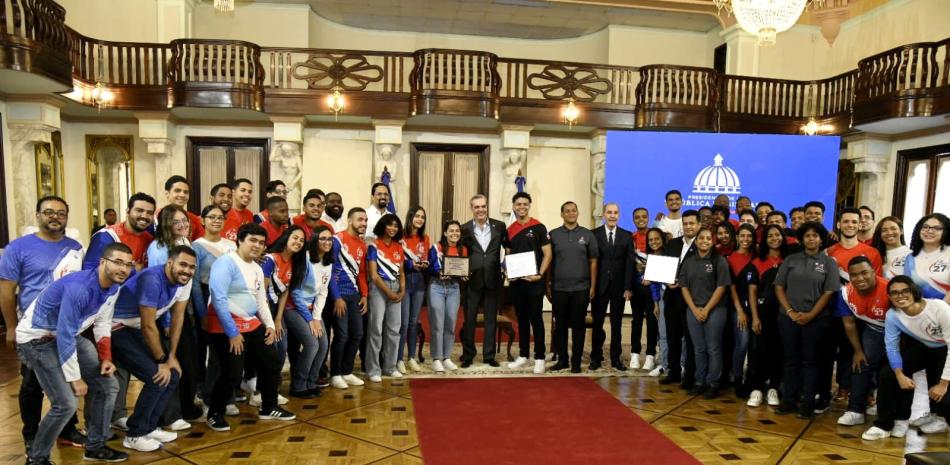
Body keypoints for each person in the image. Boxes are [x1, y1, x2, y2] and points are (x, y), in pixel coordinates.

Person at [16, 243, 133, 465]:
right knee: (66, 404)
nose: (124, 269)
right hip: (36, 339)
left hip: (64, 335)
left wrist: (106, 356)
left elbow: (102, 321)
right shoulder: (80, 287)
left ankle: (95, 446)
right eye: (118, 262)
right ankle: (37, 459)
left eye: (128, 264)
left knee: (109, 385)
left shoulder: (114, 287)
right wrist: (75, 377)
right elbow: (65, 333)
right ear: (102, 262)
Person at [0, 196, 86, 453]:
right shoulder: (19, 248)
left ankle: (68, 430)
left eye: (61, 213)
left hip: (66, 328)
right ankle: (31, 434)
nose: (55, 217)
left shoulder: (75, 247)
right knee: (31, 384)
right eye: (49, 212)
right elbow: (6, 290)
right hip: (33, 330)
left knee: (68, 378)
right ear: (38, 215)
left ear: (66, 217)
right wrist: (11, 327)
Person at [206, 224, 295, 432]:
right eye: (252, 241)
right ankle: (214, 413)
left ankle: (269, 407)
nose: (257, 246)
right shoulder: (225, 263)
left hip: (250, 323)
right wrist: (233, 333)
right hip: (224, 326)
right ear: (240, 240)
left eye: (262, 242)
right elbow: (218, 300)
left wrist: (270, 325)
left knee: (272, 361)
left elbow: (261, 300)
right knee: (233, 373)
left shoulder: (256, 267)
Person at [110, 246, 195, 451]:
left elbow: (178, 318)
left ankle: (148, 426)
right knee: (156, 376)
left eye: (192, 267)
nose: (187, 270)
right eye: (182, 264)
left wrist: (171, 357)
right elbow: (149, 325)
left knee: (172, 375)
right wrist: (161, 361)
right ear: (170, 263)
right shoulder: (152, 279)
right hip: (115, 326)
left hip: (135, 326)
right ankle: (135, 434)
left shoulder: (185, 281)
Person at [862, 277, 950, 440]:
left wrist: (943, 384)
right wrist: (899, 375)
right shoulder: (893, 315)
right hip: (925, 346)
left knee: (941, 391)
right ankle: (884, 425)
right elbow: (892, 347)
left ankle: (941, 418)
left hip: (946, 349)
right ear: (889, 297)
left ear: (913, 291)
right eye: (894, 293)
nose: (900, 296)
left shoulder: (939, 308)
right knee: (887, 374)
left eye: (904, 291)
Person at [144, 204, 204, 427]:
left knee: (188, 361)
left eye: (185, 221)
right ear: (166, 224)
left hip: (181, 309)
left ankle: (186, 407)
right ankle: (169, 415)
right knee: (168, 363)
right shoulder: (159, 247)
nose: (182, 225)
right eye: (176, 222)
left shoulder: (185, 242)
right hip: (162, 315)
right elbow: (158, 286)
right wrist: (167, 322)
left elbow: (187, 284)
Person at [774, 221, 841, 419]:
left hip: (817, 320)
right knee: (791, 360)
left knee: (811, 362)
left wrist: (811, 315)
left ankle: (808, 403)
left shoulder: (829, 262)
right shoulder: (791, 259)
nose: (811, 239)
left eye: (815, 236)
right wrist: (790, 311)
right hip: (788, 318)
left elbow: (829, 292)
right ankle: (789, 400)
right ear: (801, 239)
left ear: (821, 239)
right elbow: (779, 286)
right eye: (807, 236)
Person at [825, 208, 884, 406]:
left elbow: (874, 283)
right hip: (836, 309)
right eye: (846, 221)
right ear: (839, 225)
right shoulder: (829, 252)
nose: (850, 225)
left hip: (865, 312)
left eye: (854, 222)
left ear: (860, 225)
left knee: (865, 352)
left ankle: (867, 391)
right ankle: (842, 387)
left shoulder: (872, 253)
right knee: (843, 350)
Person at [190, 205, 237, 414]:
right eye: (212, 217)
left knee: (227, 352)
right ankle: (208, 396)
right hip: (206, 297)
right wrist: (202, 314)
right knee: (210, 353)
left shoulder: (231, 245)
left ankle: (227, 396)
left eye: (220, 218)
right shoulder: (196, 247)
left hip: (230, 299)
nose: (217, 221)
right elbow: (194, 284)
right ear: (203, 220)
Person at [835, 256, 891, 427]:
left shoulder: (891, 288)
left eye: (864, 273)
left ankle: (894, 413)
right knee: (862, 362)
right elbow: (849, 323)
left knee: (892, 370)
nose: (860, 278)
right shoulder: (845, 293)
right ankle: (855, 410)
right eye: (854, 275)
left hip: (901, 333)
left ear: (874, 272)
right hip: (874, 329)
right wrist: (858, 351)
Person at [679, 227, 731, 399]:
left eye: (708, 238)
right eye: (701, 238)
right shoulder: (689, 262)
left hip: (715, 310)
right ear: (696, 240)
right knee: (698, 348)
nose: (705, 241)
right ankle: (699, 381)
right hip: (693, 309)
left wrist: (707, 309)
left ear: (713, 241)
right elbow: (684, 286)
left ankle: (713, 383)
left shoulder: (719, 261)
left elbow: (721, 287)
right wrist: (694, 309)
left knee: (713, 348)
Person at [548, 201, 598, 373]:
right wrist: (548, 285)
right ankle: (563, 360)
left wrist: (592, 286)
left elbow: (593, 262)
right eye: (567, 211)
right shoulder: (553, 235)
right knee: (560, 326)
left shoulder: (588, 235)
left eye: (573, 211)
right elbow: (548, 261)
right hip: (559, 288)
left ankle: (576, 362)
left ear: (578, 213)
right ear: (562, 214)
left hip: (581, 289)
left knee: (578, 326)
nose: (571, 213)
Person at [506, 193, 552, 373]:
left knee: (536, 319)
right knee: (521, 319)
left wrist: (539, 275)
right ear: (514, 206)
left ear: (529, 205)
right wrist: (509, 272)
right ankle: (523, 355)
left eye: (525, 204)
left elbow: (548, 254)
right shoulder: (509, 230)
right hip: (517, 283)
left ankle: (539, 357)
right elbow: (508, 254)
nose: (522, 207)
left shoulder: (539, 227)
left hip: (534, 282)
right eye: (518, 204)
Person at [460, 194, 508, 368]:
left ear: (487, 207)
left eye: (483, 206)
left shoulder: (500, 226)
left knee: (490, 320)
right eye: (476, 207)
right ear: (471, 208)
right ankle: (468, 355)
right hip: (471, 281)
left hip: (493, 279)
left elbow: (508, 248)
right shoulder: (464, 229)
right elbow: (460, 253)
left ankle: (489, 355)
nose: (480, 210)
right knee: (469, 319)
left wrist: (508, 266)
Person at [262, 226, 309, 396]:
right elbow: (262, 293)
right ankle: (262, 390)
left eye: (302, 240)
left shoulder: (294, 263)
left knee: (282, 348)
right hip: (262, 310)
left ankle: (274, 387)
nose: (298, 242)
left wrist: (278, 319)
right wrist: (269, 321)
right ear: (286, 238)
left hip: (276, 311)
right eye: (295, 238)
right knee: (270, 350)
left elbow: (284, 294)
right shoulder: (270, 260)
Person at [287, 226, 334, 395]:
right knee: (312, 344)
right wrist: (310, 319)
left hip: (312, 309)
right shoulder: (305, 259)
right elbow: (296, 292)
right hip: (293, 308)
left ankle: (311, 382)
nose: (327, 242)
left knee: (323, 344)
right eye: (322, 238)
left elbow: (323, 292)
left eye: (329, 239)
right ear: (314, 240)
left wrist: (316, 317)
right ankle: (298, 385)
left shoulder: (327, 262)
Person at [746, 224, 788, 408]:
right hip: (762, 314)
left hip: (784, 314)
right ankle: (756, 388)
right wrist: (755, 317)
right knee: (758, 351)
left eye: (777, 235)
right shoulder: (757, 262)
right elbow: (753, 291)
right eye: (770, 235)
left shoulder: (789, 260)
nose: (774, 238)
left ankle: (773, 388)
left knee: (778, 351)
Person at [328, 208, 369, 389]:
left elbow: (361, 274)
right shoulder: (337, 240)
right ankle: (335, 374)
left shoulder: (362, 245)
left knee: (357, 334)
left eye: (366, 220)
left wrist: (365, 295)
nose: (364, 223)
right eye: (360, 219)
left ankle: (347, 371)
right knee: (342, 335)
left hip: (354, 295)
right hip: (339, 295)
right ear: (350, 221)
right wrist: (336, 297)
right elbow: (328, 271)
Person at [591, 203, 635, 371]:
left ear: (619, 215)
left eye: (615, 213)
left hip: (618, 287)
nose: (612, 215)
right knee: (597, 323)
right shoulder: (594, 234)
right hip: (599, 287)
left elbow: (630, 264)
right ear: (603, 215)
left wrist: (627, 287)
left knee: (616, 324)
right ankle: (596, 357)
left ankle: (616, 358)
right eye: (609, 212)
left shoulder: (626, 235)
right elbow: (591, 263)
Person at [660, 210, 700, 388]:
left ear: (699, 225)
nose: (688, 226)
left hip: (691, 300)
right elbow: (665, 267)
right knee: (672, 337)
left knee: (691, 339)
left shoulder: (702, 246)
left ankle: (690, 375)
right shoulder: (673, 243)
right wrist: (667, 281)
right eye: (685, 223)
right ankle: (673, 371)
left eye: (692, 223)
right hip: (671, 297)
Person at [365, 213, 406, 382]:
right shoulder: (374, 246)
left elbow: (402, 273)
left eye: (396, 226)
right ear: (383, 226)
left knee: (394, 330)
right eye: (389, 225)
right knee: (376, 329)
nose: (393, 228)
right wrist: (389, 293)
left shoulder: (398, 247)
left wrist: (402, 290)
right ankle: (373, 369)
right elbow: (373, 275)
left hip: (396, 288)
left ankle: (390, 367)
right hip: (379, 289)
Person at [427, 220, 467, 372]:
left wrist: (464, 276)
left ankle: (447, 357)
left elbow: (462, 269)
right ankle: (437, 358)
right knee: (437, 323)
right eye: (451, 231)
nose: (454, 233)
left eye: (457, 231)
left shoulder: (463, 250)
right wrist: (438, 273)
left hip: (454, 288)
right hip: (436, 286)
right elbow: (429, 268)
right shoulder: (436, 248)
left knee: (450, 323)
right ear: (445, 233)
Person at [84, 192, 157, 272]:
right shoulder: (107, 235)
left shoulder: (151, 239)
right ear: (128, 211)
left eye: (149, 213)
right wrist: (132, 270)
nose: (144, 216)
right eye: (139, 210)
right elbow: (89, 271)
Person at [399, 206, 430, 372]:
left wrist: (425, 264)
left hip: (419, 282)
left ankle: (411, 357)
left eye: (422, 217)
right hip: (404, 280)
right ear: (410, 217)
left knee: (413, 322)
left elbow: (426, 258)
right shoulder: (400, 237)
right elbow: (395, 259)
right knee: (403, 323)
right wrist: (411, 263)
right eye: (417, 216)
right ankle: (398, 359)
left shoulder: (425, 238)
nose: (419, 219)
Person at [727, 223, 756, 396]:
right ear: (737, 237)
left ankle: (751, 379)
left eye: (749, 236)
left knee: (753, 345)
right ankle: (737, 377)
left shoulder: (757, 257)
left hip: (756, 307)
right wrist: (739, 311)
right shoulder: (730, 259)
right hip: (738, 307)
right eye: (742, 235)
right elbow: (731, 288)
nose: (746, 239)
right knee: (742, 343)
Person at [905, 213, 950, 304]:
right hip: (918, 310)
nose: (929, 231)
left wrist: (939, 310)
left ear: (946, 231)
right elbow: (907, 287)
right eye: (925, 227)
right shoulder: (910, 258)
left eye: (937, 228)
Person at [643, 228, 668, 376]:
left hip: (674, 297)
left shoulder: (671, 254)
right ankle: (663, 364)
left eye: (657, 239)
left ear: (663, 239)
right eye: (651, 240)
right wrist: (656, 303)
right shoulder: (650, 258)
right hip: (661, 298)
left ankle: (680, 363)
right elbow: (654, 285)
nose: (654, 242)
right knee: (662, 333)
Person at [163, 175, 204, 241]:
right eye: (177, 191)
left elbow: (201, 243)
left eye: (186, 192)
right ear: (167, 193)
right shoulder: (157, 215)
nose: (182, 195)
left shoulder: (194, 219)